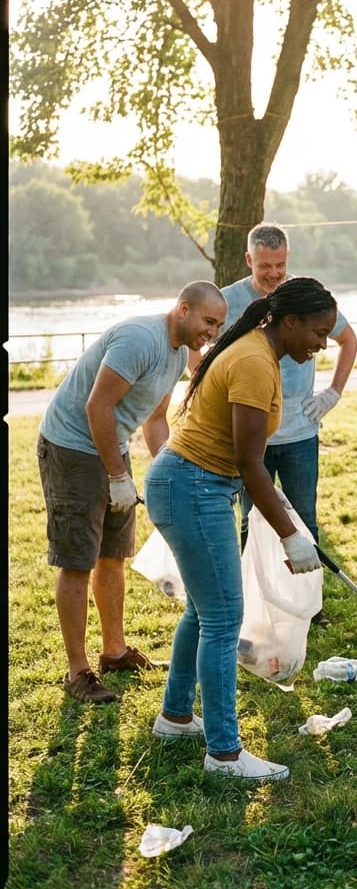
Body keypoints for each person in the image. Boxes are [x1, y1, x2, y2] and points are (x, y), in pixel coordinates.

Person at [144, 277, 338, 782]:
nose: (322, 343)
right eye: (318, 333)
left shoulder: (260, 353)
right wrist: (293, 536)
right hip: (193, 486)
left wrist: (289, 528)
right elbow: (253, 464)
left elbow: (247, 463)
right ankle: (225, 755)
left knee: (204, 611)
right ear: (289, 321)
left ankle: (176, 716)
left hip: (194, 484)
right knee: (225, 619)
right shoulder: (253, 361)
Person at [37, 282, 228, 704]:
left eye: (218, 325)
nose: (212, 332)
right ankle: (77, 671)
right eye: (208, 321)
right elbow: (96, 407)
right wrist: (117, 475)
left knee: (113, 555)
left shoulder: (178, 354)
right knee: (76, 562)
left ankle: (115, 652)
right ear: (183, 309)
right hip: (71, 447)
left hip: (110, 447)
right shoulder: (140, 339)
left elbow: (156, 419)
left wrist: (169, 466)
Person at [205, 222, 357, 630]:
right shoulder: (230, 301)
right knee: (249, 520)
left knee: (303, 517)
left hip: (299, 431)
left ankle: (308, 605)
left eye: (281, 265)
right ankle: (249, 602)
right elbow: (199, 348)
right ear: (249, 260)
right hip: (250, 430)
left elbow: (349, 340)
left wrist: (333, 393)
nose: (274, 273)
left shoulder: (303, 298)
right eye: (266, 265)